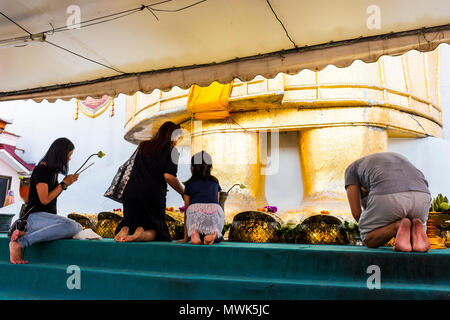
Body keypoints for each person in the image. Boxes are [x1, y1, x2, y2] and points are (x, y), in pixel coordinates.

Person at [9, 138, 82, 264]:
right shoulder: (41, 170)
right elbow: (44, 199)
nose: (69, 159)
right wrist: (64, 184)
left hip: (43, 218)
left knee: (78, 227)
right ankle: (20, 243)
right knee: (71, 226)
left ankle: (26, 233)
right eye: (69, 155)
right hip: (35, 217)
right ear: (60, 154)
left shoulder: (52, 172)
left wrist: (64, 184)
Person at [345, 152, 431, 252]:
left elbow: (356, 212)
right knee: (409, 225)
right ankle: (416, 238)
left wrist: (372, 229)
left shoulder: (351, 169)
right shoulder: (397, 156)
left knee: (368, 238)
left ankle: (397, 226)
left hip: (389, 195)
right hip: (423, 195)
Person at [114, 121, 185, 242]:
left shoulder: (144, 145)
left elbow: (136, 170)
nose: (178, 140)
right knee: (156, 230)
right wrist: (183, 192)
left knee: (131, 221)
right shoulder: (172, 150)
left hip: (130, 192)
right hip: (151, 195)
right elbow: (168, 176)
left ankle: (125, 229)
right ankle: (140, 234)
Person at [179, 151, 224, 245]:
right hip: (213, 212)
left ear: (193, 167)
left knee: (192, 214)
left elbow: (187, 209)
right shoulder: (215, 182)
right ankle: (213, 234)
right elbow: (216, 202)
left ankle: (195, 236)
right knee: (217, 233)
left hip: (195, 213)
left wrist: (186, 237)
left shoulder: (189, 184)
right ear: (210, 167)